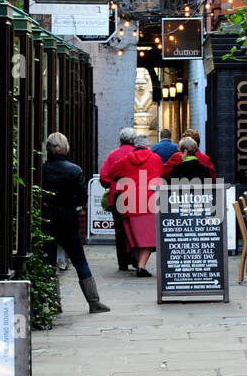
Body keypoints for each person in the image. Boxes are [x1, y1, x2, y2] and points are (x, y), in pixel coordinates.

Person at [42, 133, 110, 313]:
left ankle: (53, 304)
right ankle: (94, 301)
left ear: (49, 148)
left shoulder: (41, 170)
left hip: (46, 220)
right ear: (66, 148)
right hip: (69, 221)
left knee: (48, 263)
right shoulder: (74, 170)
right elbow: (81, 197)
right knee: (80, 261)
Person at [104, 133, 164, 276]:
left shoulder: (125, 160)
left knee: (135, 238)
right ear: (148, 146)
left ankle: (139, 265)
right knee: (149, 237)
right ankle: (141, 267)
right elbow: (160, 173)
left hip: (128, 202)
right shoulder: (156, 159)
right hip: (149, 201)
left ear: (135, 146)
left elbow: (110, 173)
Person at [100, 126, 138, 271]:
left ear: (120, 139)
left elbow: (103, 177)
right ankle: (135, 257)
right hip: (135, 196)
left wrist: (111, 184)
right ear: (134, 139)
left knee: (120, 231)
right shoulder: (137, 154)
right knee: (135, 228)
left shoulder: (113, 154)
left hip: (117, 196)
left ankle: (122, 262)